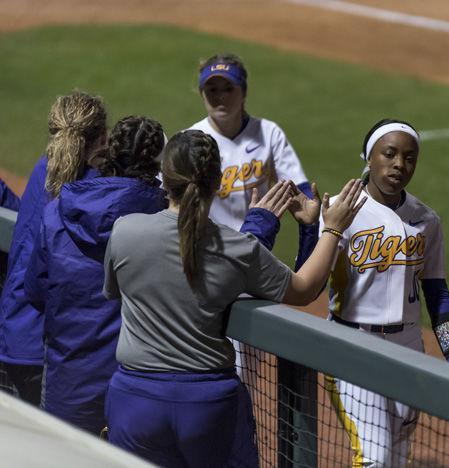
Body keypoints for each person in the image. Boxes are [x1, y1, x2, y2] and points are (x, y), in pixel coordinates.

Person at [103, 129, 365, 466]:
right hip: (206, 404)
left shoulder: (124, 230)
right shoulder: (238, 248)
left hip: (135, 400)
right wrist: (331, 228)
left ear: (164, 180)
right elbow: (304, 289)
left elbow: (116, 293)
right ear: (218, 183)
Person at [318, 119, 449, 467]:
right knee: (375, 458)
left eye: (410, 157)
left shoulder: (426, 220)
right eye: (390, 154)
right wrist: (316, 230)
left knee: (398, 456)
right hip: (351, 343)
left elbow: (437, 293)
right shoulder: (341, 209)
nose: (400, 164)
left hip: (408, 347)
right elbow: (310, 275)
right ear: (369, 159)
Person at [23, 116, 167, 434]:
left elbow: (34, 290)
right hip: (133, 389)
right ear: (157, 166)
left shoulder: (58, 210)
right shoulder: (162, 221)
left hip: (67, 383)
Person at [189, 52, 318, 386]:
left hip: (253, 263)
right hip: (209, 267)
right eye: (211, 90)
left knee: (244, 377)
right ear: (202, 94)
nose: (219, 97)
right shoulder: (192, 140)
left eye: (227, 88)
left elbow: (301, 191)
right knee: (213, 366)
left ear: (243, 92)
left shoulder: (267, 133)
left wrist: (312, 214)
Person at [0, 91, 107, 405]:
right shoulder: (95, 190)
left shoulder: (43, 169)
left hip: (13, 335)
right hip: (49, 351)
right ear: (102, 137)